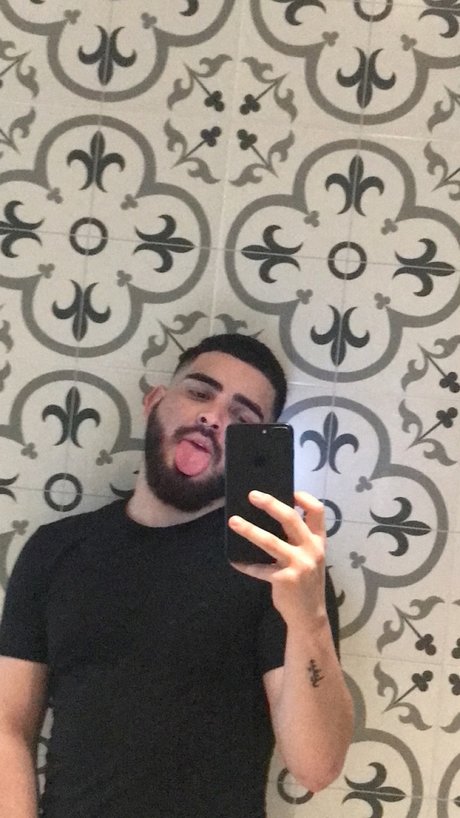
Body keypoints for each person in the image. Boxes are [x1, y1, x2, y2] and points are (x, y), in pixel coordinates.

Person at [0, 333, 353, 818]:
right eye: (200, 392)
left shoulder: (280, 569)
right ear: (154, 402)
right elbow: (8, 727)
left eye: (243, 418)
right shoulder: (55, 551)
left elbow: (316, 768)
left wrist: (309, 619)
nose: (213, 417)